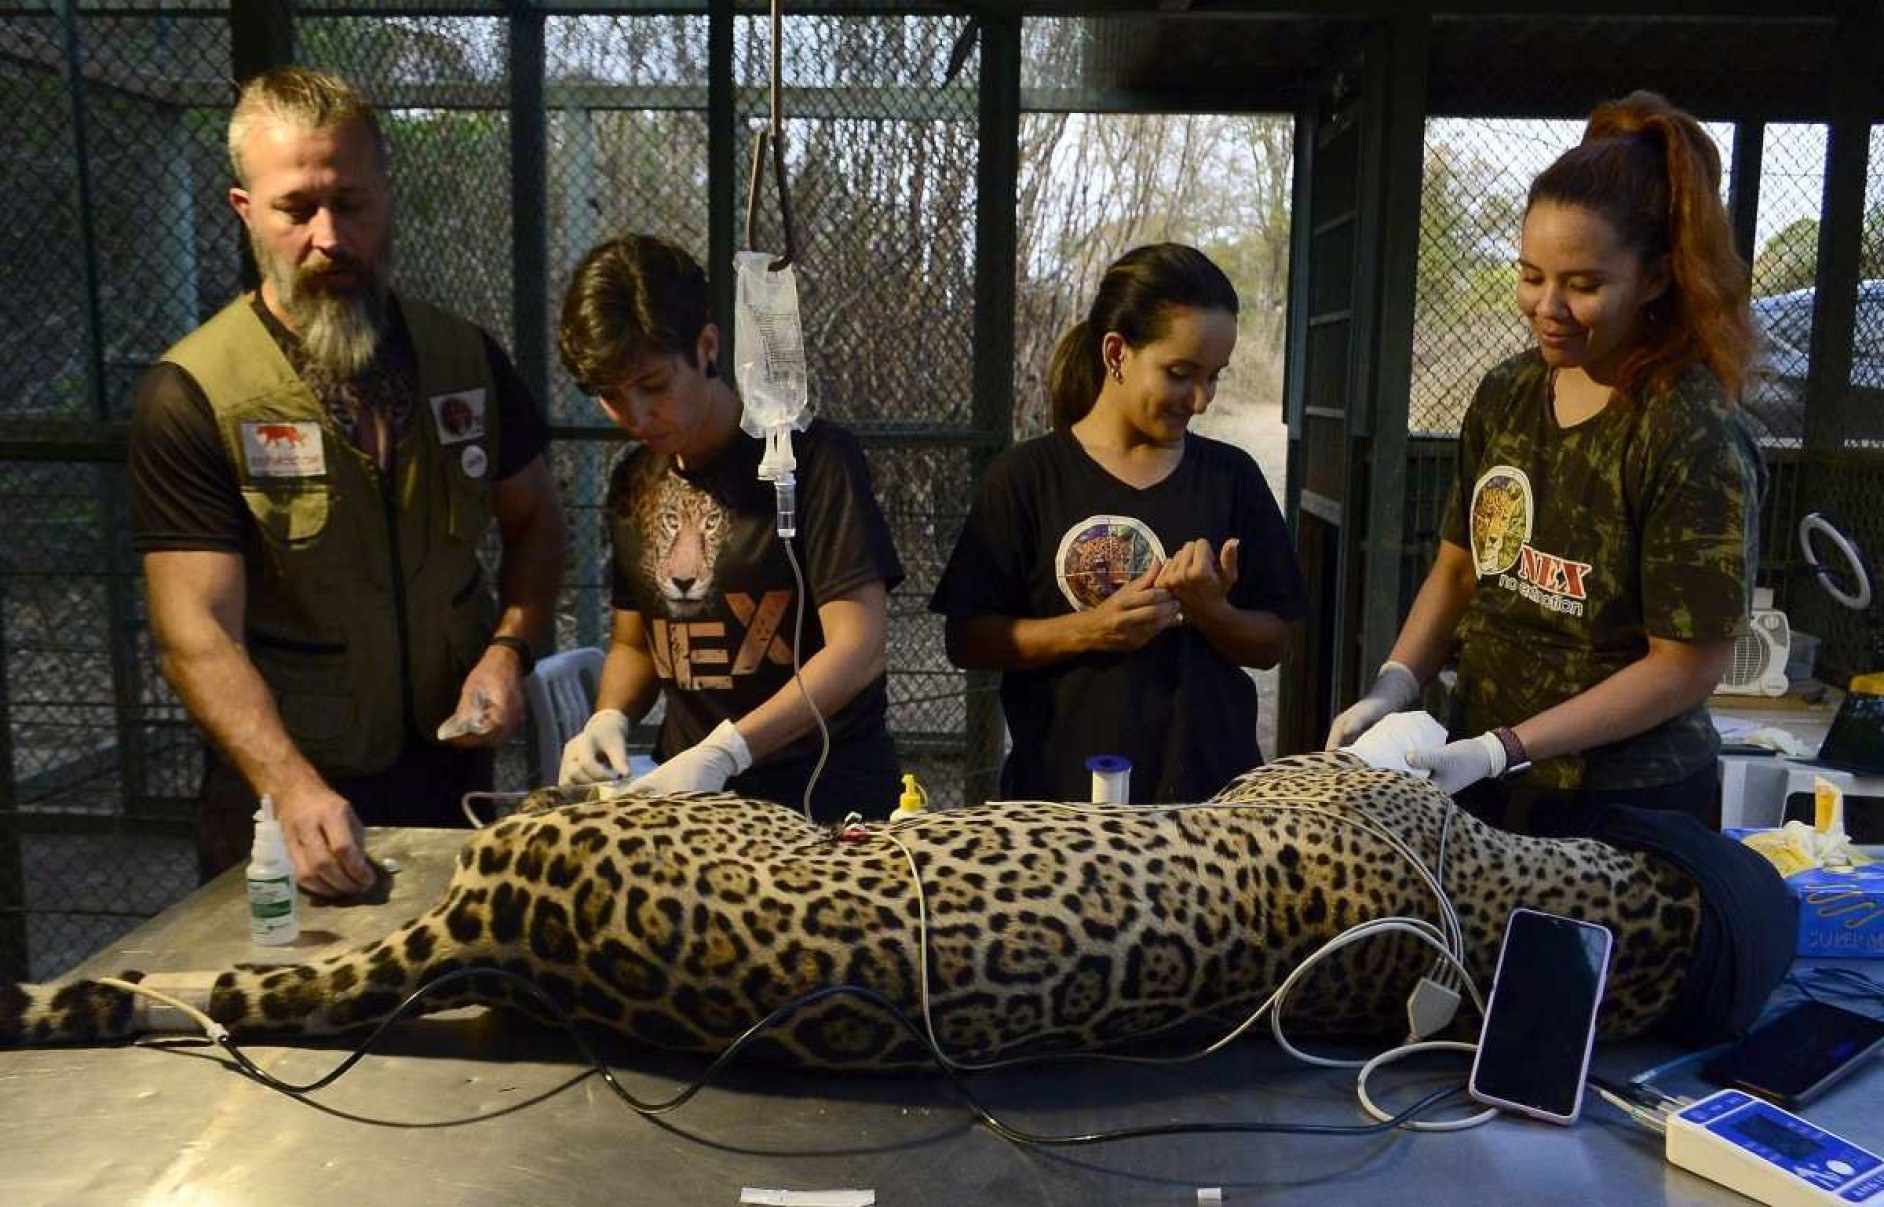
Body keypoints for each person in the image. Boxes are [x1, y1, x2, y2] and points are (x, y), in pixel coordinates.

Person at [128, 67, 566, 896]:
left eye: (353, 204)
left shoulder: (462, 357)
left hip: (449, 778)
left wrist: (510, 649)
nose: (329, 236)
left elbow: (536, 519)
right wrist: (289, 785)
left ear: (386, 200)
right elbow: (195, 632)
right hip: (285, 802)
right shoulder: (194, 392)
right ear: (246, 211)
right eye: (297, 208)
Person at [1325, 91, 1762, 838]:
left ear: (1655, 279)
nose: (1547, 306)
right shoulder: (1509, 391)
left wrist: (1505, 749)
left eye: (1584, 285)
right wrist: (1394, 686)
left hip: (1623, 798)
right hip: (1478, 770)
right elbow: (1461, 568)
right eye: (1532, 275)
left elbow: (1685, 664)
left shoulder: (1688, 433)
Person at [930, 243, 1308, 804]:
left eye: (1215, 377)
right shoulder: (1026, 479)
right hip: (1061, 805)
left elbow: (1272, 642)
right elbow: (968, 639)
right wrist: (1090, 629)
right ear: (1116, 354)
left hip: (1208, 806)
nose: (1200, 400)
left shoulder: (1231, 478)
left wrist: (1212, 612)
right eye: (1181, 374)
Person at [554, 234, 903, 822]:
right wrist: (607, 717)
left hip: (826, 801)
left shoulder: (812, 460)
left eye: (654, 387)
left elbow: (858, 648)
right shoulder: (633, 481)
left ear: (707, 347)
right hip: (695, 806)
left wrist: (729, 750)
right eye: (610, 397)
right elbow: (634, 643)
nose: (634, 417)